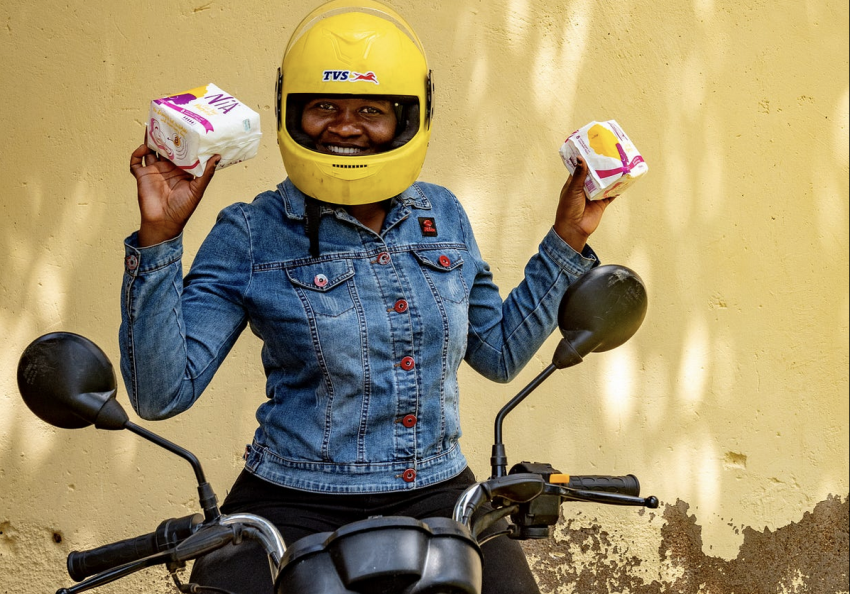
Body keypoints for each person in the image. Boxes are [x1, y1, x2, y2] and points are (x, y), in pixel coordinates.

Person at [122, 1, 613, 592]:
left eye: (371, 110)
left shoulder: (443, 214)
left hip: (438, 492)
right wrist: (159, 238)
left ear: (409, 117)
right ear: (291, 112)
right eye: (323, 106)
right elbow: (160, 393)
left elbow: (498, 353)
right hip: (289, 502)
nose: (345, 125)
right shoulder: (252, 230)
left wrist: (568, 238)